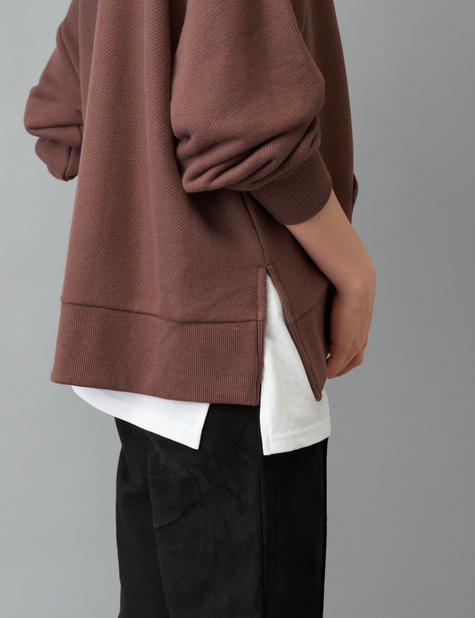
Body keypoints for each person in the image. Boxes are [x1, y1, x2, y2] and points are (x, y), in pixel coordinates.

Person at [23, 0, 376, 616]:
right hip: (235, 344)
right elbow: (238, 123)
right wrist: (356, 275)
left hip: (148, 354)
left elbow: (62, 115)